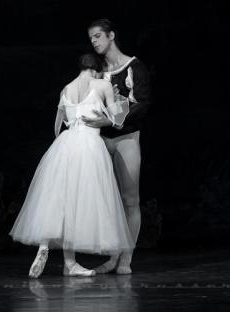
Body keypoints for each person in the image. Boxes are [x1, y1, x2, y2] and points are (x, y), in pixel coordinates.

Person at [8, 53, 135, 278]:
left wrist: (64, 141)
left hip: (66, 144)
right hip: (89, 145)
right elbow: (118, 118)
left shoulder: (66, 89)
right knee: (81, 202)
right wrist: (119, 102)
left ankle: (63, 259)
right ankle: (69, 263)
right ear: (97, 69)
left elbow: (58, 126)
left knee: (62, 200)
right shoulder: (101, 84)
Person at [84, 18, 152, 274]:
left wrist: (110, 118)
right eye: (91, 38)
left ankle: (126, 260)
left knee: (130, 200)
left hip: (125, 139)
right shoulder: (98, 72)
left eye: (98, 36)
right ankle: (113, 257)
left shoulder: (134, 67)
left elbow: (141, 104)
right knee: (109, 201)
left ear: (111, 35)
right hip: (101, 140)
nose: (94, 41)